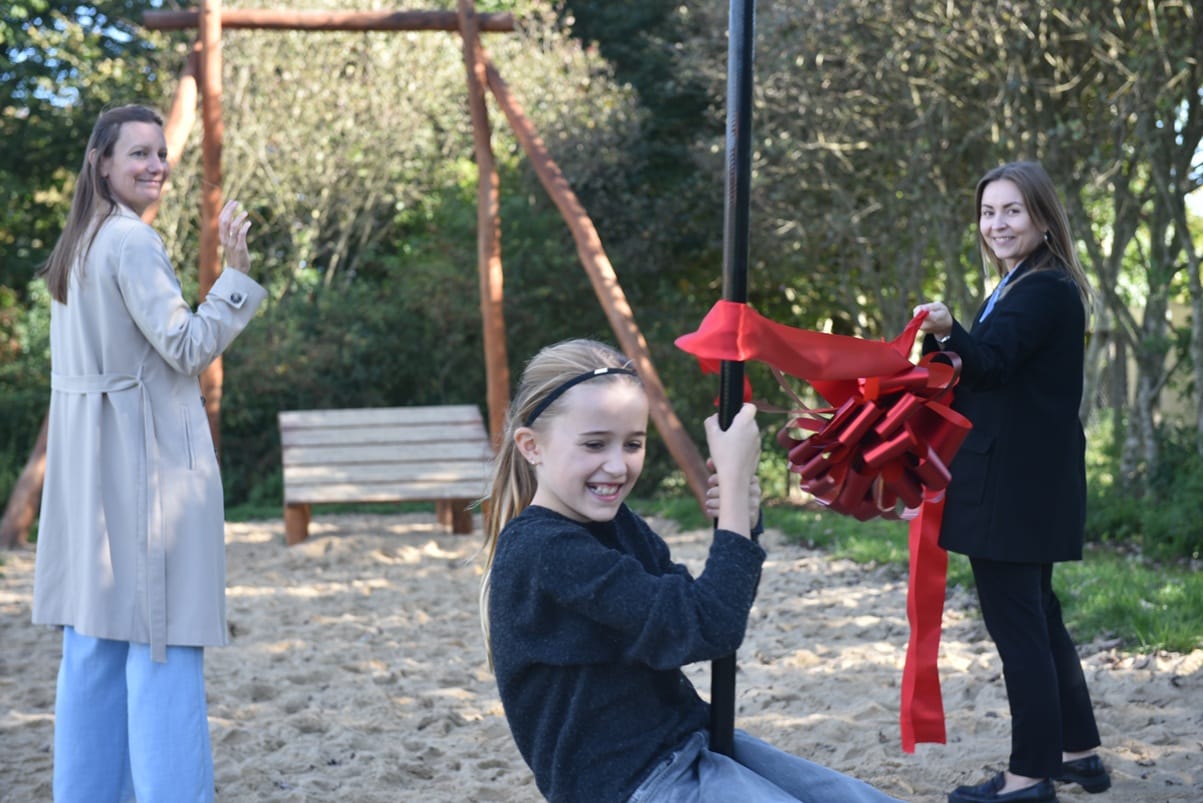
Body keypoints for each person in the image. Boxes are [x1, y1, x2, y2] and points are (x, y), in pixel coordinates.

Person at [479, 338, 902, 802]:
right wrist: (733, 493)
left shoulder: (618, 525)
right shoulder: (543, 549)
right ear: (532, 446)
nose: (617, 466)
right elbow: (711, 625)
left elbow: (704, 611)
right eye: (595, 444)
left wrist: (741, 522)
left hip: (688, 742)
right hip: (633, 784)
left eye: (633, 443)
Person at [32, 103, 267, 802]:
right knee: (161, 649)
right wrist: (235, 277)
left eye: (161, 153)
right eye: (138, 153)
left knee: (94, 646)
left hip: (89, 472)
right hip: (146, 468)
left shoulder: (78, 242)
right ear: (101, 162)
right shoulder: (131, 241)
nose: (157, 165)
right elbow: (187, 346)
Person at [914, 161, 1110, 803]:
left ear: (1043, 218)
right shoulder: (1024, 282)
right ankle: (1078, 753)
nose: (996, 224)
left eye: (1012, 211)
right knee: (1040, 618)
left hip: (1011, 488)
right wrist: (943, 344)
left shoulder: (1042, 289)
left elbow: (991, 364)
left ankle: (1028, 776)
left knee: (1020, 628)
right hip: (1028, 483)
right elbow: (986, 370)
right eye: (988, 212)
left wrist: (949, 330)